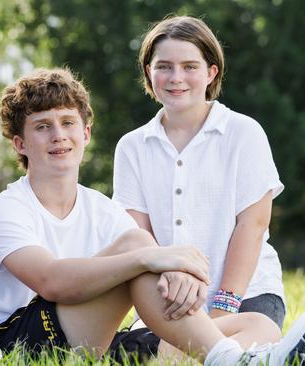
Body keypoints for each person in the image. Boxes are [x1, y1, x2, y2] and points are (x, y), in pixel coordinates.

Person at [0, 67, 305, 365]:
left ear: (85, 133)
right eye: (42, 126)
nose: (58, 136)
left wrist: (175, 271)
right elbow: (52, 282)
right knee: (137, 250)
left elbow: (148, 260)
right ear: (20, 144)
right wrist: (151, 257)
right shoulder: (6, 208)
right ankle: (230, 361)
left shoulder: (102, 208)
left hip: (98, 338)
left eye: (68, 123)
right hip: (17, 341)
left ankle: (234, 358)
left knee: (258, 324)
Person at [112, 15, 289, 357]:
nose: (176, 78)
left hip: (247, 294)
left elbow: (252, 226)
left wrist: (222, 306)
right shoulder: (131, 147)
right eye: (164, 66)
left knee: (255, 329)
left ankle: (208, 353)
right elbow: (138, 238)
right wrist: (173, 287)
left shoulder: (243, 132)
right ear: (149, 71)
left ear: (211, 73)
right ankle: (244, 358)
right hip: (168, 297)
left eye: (189, 66)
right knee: (180, 344)